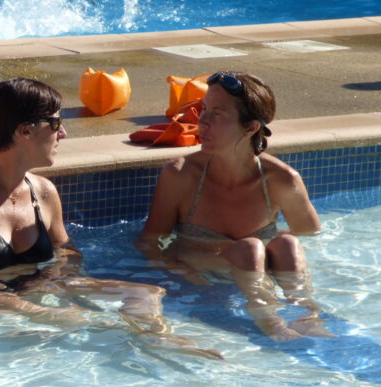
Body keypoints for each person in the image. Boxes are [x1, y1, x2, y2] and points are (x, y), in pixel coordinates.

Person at [0, 78, 221, 358]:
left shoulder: (43, 191)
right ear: (25, 131)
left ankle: (157, 341)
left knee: (146, 294)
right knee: (79, 322)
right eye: (56, 124)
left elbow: (66, 249)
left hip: (34, 290)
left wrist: (60, 279)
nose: (62, 135)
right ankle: (142, 347)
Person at [138, 71, 330, 341]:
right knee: (250, 248)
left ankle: (306, 315)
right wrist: (186, 276)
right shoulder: (182, 174)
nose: (201, 121)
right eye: (203, 109)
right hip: (202, 274)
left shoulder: (282, 180)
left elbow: (315, 240)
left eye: (216, 114)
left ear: (251, 127)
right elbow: (149, 243)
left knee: (287, 245)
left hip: (257, 274)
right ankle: (269, 322)